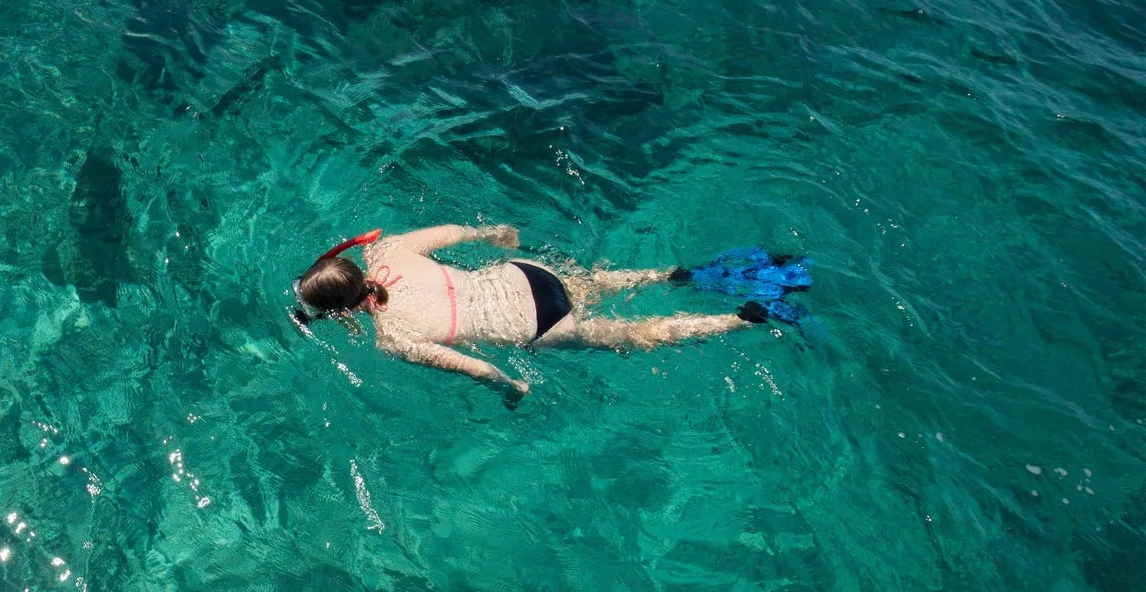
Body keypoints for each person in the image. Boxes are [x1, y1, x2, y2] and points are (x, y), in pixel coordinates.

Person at [293, 226, 806, 399]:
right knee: (610, 281)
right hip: (525, 274)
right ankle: (679, 274)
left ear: (341, 309)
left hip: (536, 326)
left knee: (639, 334)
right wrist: (496, 233)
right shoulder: (387, 252)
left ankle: (744, 318)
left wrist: (512, 390)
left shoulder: (393, 339)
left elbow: (479, 368)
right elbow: (457, 233)